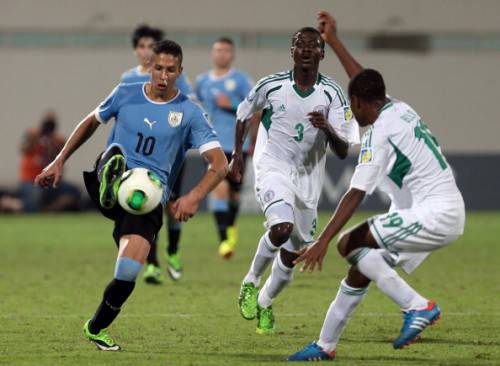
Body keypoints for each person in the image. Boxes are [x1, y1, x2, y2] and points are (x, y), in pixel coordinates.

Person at [288, 12, 465, 361]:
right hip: (438, 211)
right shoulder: (399, 108)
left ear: (355, 104)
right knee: (361, 265)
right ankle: (325, 346)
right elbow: (363, 81)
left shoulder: (379, 135)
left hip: (434, 215)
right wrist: (335, 41)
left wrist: (321, 241)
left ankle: (418, 306)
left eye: (351, 108)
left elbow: (355, 193)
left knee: (347, 243)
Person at [35, 40, 228, 351]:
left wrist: (193, 196)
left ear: (180, 72)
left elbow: (220, 164)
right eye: (158, 68)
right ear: (150, 67)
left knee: (127, 272)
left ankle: (96, 327)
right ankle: (112, 176)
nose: (163, 76)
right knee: (115, 158)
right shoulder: (126, 92)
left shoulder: (190, 113)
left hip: (150, 196)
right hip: (114, 175)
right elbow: (91, 122)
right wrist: (59, 160)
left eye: (170, 70)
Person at [230, 27, 360, 335]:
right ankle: (250, 282)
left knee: (292, 254)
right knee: (281, 227)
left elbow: (343, 150)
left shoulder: (333, 94)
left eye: (312, 46)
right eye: (299, 45)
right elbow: (242, 114)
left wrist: (327, 127)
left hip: (308, 180)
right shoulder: (271, 85)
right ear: (291, 52)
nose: (305, 49)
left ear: (321, 53)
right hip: (273, 165)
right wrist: (237, 156)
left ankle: (265, 300)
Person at [119, 24, 194, 283]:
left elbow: (188, 109)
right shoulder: (128, 80)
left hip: (170, 155)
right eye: (142, 46)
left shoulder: (176, 78)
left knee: (172, 206)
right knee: (145, 205)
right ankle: (151, 264)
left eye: (151, 46)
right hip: (137, 156)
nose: (146, 51)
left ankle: (172, 250)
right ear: (135, 50)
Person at [195, 37, 255, 259]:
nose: (221, 54)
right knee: (219, 189)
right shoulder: (201, 82)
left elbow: (256, 110)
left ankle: (231, 227)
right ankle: (224, 241)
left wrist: (230, 105)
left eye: (226, 50)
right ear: (212, 54)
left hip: (238, 145)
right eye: (218, 50)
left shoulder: (241, 81)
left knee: (234, 195)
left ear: (232, 55)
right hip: (213, 145)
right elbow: (196, 108)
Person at [19, 111, 81, 212]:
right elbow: (23, 148)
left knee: (74, 192)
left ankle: (49, 209)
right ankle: (13, 204)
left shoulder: (58, 140)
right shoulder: (32, 134)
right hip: (31, 180)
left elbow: (63, 156)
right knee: (33, 201)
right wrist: (36, 138)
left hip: (50, 180)